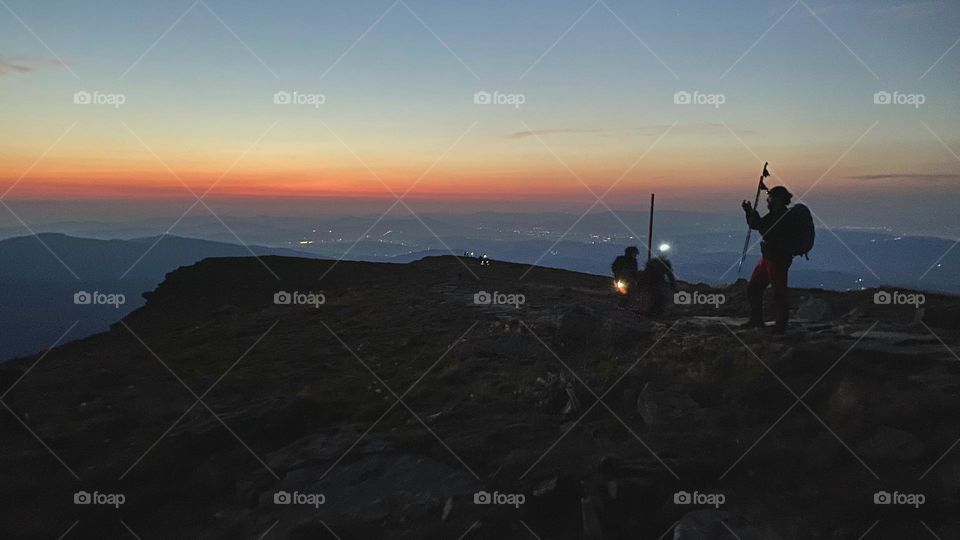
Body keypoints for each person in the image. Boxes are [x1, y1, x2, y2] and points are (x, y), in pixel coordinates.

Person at [741, 186, 794, 333]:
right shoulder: (778, 214)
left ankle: (780, 326)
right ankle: (757, 320)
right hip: (769, 258)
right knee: (755, 287)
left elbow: (761, 226)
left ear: (776, 199)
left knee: (778, 292)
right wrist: (750, 212)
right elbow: (759, 225)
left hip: (777, 259)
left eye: (769, 198)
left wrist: (750, 212)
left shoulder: (781, 216)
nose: (767, 201)